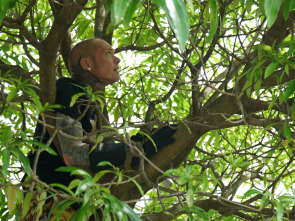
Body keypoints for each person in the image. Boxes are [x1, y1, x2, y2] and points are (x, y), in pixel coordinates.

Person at [22, 38, 177, 219]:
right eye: (108, 54)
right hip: (49, 204)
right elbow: (74, 154)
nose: (117, 59)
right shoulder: (68, 88)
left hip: (74, 208)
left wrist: (134, 146)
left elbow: (92, 161)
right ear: (86, 64)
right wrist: (134, 150)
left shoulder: (90, 104)